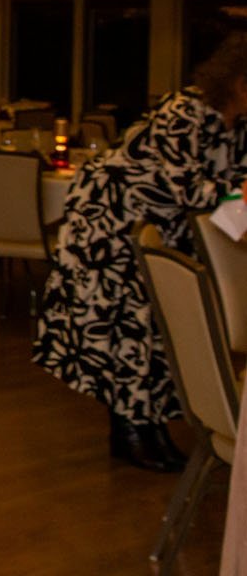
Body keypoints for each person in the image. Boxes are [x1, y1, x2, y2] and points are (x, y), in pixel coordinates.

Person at [34, 31, 247, 472]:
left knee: (153, 336)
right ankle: (129, 432)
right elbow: (188, 188)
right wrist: (234, 192)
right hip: (108, 226)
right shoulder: (185, 111)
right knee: (128, 334)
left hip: (157, 234)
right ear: (238, 80)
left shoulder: (237, 126)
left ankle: (147, 430)